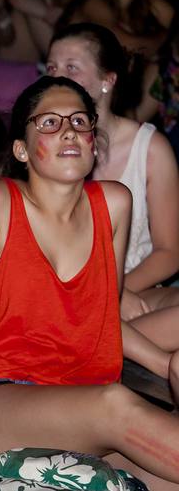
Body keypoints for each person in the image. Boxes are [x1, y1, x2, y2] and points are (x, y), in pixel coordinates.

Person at [0, 76, 179, 491]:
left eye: (79, 121)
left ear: (94, 142)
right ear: (21, 149)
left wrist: (165, 363)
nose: (69, 131)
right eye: (50, 123)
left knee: (165, 487)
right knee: (116, 405)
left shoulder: (114, 204)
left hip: (79, 400)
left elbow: (102, 317)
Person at [45, 25, 179, 374]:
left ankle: (111, 350)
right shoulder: (42, 146)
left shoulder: (150, 148)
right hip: (66, 298)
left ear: (107, 80)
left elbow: (169, 251)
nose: (58, 76)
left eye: (71, 67)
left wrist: (118, 290)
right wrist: (107, 293)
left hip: (134, 288)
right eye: (51, 68)